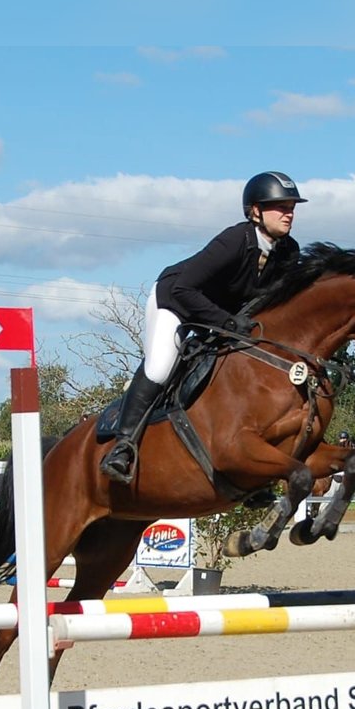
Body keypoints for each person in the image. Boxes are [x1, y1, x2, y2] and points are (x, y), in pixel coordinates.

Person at [100, 170, 307, 484]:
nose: (288, 212)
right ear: (255, 211)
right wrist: (226, 321)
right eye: (279, 206)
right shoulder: (235, 240)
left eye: (291, 206)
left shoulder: (289, 251)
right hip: (175, 302)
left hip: (222, 317)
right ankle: (123, 446)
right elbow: (185, 289)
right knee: (159, 368)